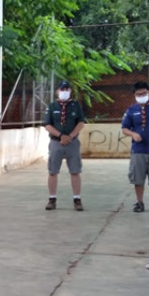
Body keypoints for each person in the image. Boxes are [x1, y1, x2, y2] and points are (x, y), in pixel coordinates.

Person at [44, 80, 86, 211]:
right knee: (52, 171)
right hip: (56, 142)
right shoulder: (52, 106)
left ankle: (77, 199)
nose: (64, 92)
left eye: (67, 89)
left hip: (72, 143)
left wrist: (70, 136)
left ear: (70, 91)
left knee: (75, 171)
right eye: (62, 89)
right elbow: (47, 125)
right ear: (57, 91)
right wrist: (61, 135)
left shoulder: (76, 105)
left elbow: (81, 122)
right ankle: (52, 199)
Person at [121, 81, 149, 212]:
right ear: (134, 95)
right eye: (139, 94)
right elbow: (124, 128)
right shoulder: (131, 110)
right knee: (138, 179)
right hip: (138, 150)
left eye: (144, 93)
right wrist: (133, 134)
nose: (142, 96)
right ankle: (139, 202)